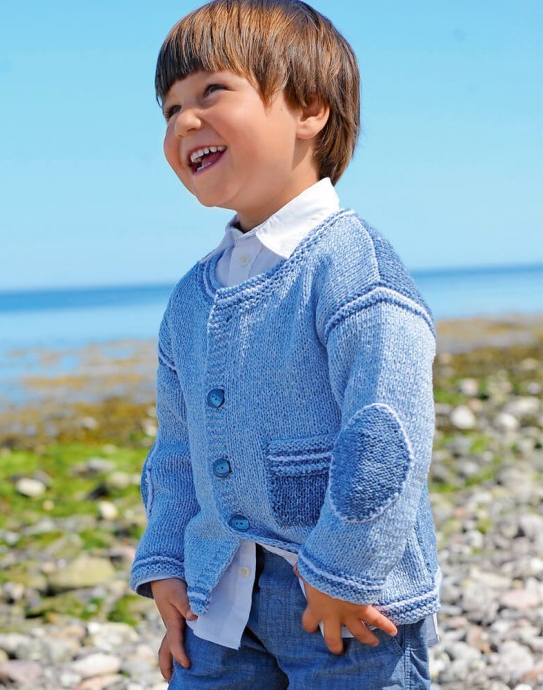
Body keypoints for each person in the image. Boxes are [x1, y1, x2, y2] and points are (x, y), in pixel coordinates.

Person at [129, 1, 440, 687]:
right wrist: (168, 563)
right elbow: (177, 450)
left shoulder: (353, 267)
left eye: (211, 92)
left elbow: (389, 433)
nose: (185, 121)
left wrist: (344, 568)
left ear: (310, 109)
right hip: (218, 605)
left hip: (347, 602)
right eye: (170, 108)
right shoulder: (192, 297)